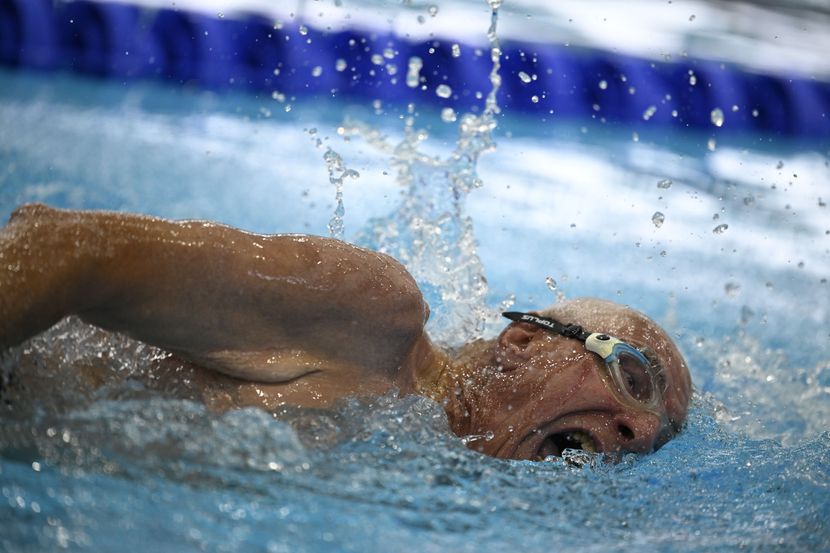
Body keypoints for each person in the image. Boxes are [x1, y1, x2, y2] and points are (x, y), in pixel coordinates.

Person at [0, 203, 692, 460]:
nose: (639, 431)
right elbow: (64, 246)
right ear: (524, 342)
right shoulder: (372, 318)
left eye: (656, 436)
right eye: (633, 379)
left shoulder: (422, 463)